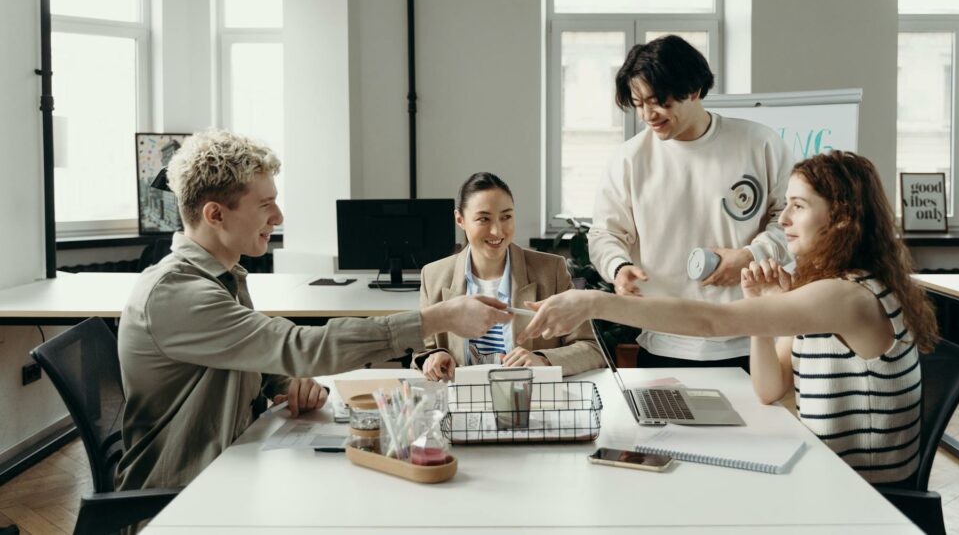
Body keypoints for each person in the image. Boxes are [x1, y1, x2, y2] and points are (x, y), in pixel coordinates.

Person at [117, 131, 511, 491]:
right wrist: (437, 318)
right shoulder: (176, 294)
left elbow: (252, 357)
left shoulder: (224, 276)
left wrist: (283, 385)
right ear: (215, 215)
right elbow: (298, 346)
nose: (279, 217)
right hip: (183, 495)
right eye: (265, 205)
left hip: (234, 464)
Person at [521, 151, 940, 484]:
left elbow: (711, 322)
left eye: (798, 206)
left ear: (842, 219)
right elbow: (769, 390)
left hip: (861, 496)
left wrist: (594, 302)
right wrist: (763, 312)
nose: (784, 220)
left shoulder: (848, 295)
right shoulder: (831, 289)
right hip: (832, 477)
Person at [589, 35, 793, 372]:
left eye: (658, 102)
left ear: (694, 90)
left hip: (748, 338)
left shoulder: (760, 144)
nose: (648, 114)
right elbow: (604, 234)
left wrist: (750, 256)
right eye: (639, 103)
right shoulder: (629, 159)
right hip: (664, 340)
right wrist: (618, 268)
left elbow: (790, 222)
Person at [412, 172, 603, 380]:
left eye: (506, 217)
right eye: (483, 219)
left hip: (530, 402)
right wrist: (434, 357)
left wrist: (544, 360)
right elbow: (422, 351)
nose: (497, 230)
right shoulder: (433, 276)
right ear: (460, 220)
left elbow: (591, 348)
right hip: (462, 404)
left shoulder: (551, 270)